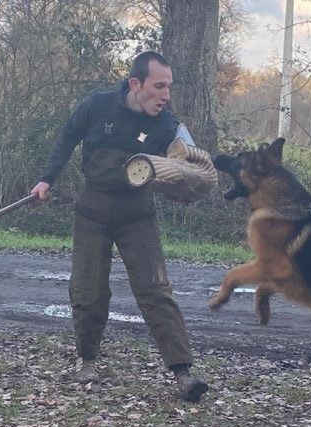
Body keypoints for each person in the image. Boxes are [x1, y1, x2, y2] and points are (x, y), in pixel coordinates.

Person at [28, 51, 209, 402]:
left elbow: (194, 165)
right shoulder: (96, 107)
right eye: (159, 86)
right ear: (135, 84)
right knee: (88, 289)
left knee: (156, 291)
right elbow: (67, 138)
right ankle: (87, 359)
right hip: (92, 212)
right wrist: (45, 180)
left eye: (168, 87)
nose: (166, 95)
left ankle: (184, 373)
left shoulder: (169, 126)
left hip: (137, 215)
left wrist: (187, 175)